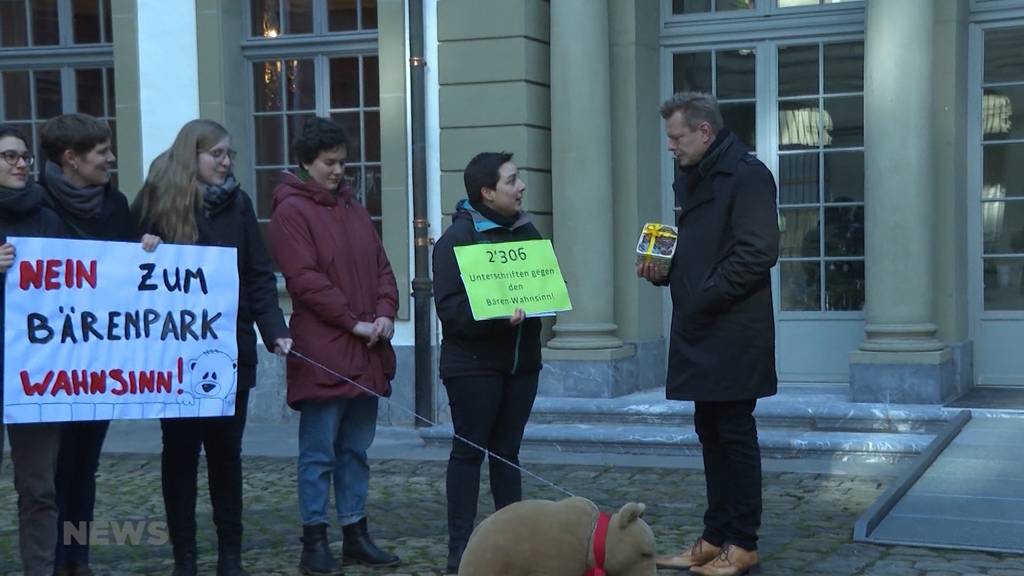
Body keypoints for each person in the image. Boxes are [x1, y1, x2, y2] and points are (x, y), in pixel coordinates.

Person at [132, 119, 292, 576]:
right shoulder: (154, 200)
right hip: (174, 354)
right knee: (179, 455)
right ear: (192, 155)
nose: (226, 162)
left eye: (229, 155)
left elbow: (259, 274)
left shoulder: (238, 203)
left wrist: (274, 329)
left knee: (226, 456)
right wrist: (142, 248)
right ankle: (185, 556)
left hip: (228, 349)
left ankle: (230, 556)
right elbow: (122, 270)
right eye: (216, 154)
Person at [639, 92, 779, 576]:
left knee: (735, 436)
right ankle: (715, 537)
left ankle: (743, 544)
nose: (670, 148)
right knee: (711, 434)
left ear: (704, 131)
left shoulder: (748, 174)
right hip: (703, 330)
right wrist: (666, 270)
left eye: (676, 138)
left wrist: (700, 293)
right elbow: (704, 250)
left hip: (734, 332)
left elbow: (758, 252)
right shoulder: (693, 175)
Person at [267, 116, 400, 575]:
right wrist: (353, 323)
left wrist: (384, 312)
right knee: (319, 453)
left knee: (355, 451)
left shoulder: (353, 208)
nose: (338, 170)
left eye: (342, 162)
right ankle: (314, 540)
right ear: (306, 163)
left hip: (365, 348)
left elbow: (382, 265)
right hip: (325, 349)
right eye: (329, 163)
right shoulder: (290, 212)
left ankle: (355, 533)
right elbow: (305, 282)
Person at [36, 113, 160, 576]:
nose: (111, 158)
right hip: (46, 365)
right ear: (71, 158)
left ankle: (77, 557)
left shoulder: (116, 205)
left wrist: (145, 247)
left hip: (96, 362)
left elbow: (128, 276)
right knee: (47, 475)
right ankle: (46, 559)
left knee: (83, 468)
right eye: (102, 151)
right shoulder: (34, 204)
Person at [431, 151, 543, 575]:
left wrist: (548, 293)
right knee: (469, 453)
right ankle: (460, 551)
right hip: (474, 366)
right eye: (512, 180)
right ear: (486, 192)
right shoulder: (457, 239)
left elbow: (543, 281)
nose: (521, 187)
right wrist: (493, 317)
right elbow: (451, 309)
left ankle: (510, 546)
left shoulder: (525, 229)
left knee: (507, 454)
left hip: (521, 365)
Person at [0, 124, 66, 576]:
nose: (20, 164)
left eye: (24, 156)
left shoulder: (46, 216)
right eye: (8, 156)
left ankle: (39, 570)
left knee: (39, 487)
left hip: (34, 373)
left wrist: (146, 252)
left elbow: (88, 282)